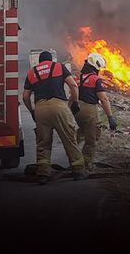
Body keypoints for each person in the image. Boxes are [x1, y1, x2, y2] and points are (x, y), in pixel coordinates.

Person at [22, 51, 87, 185]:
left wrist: (32, 111)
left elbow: (25, 96)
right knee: (69, 138)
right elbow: (73, 85)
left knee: (43, 143)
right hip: (59, 106)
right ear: (51, 60)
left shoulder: (31, 72)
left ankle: (43, 174)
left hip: (40, 109)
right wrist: (74, 102)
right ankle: (78, 171)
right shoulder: (58, 67)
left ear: (40, 62)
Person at [74, 52, 117, 172]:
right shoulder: (95, 79)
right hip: (89, 110)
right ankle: (86, 165)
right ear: (95, 66)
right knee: (92, 138)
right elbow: (103, 99)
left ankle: (73, 149)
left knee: (83, 130)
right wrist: (110, 117)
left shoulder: (79, 77)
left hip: (78, 110)